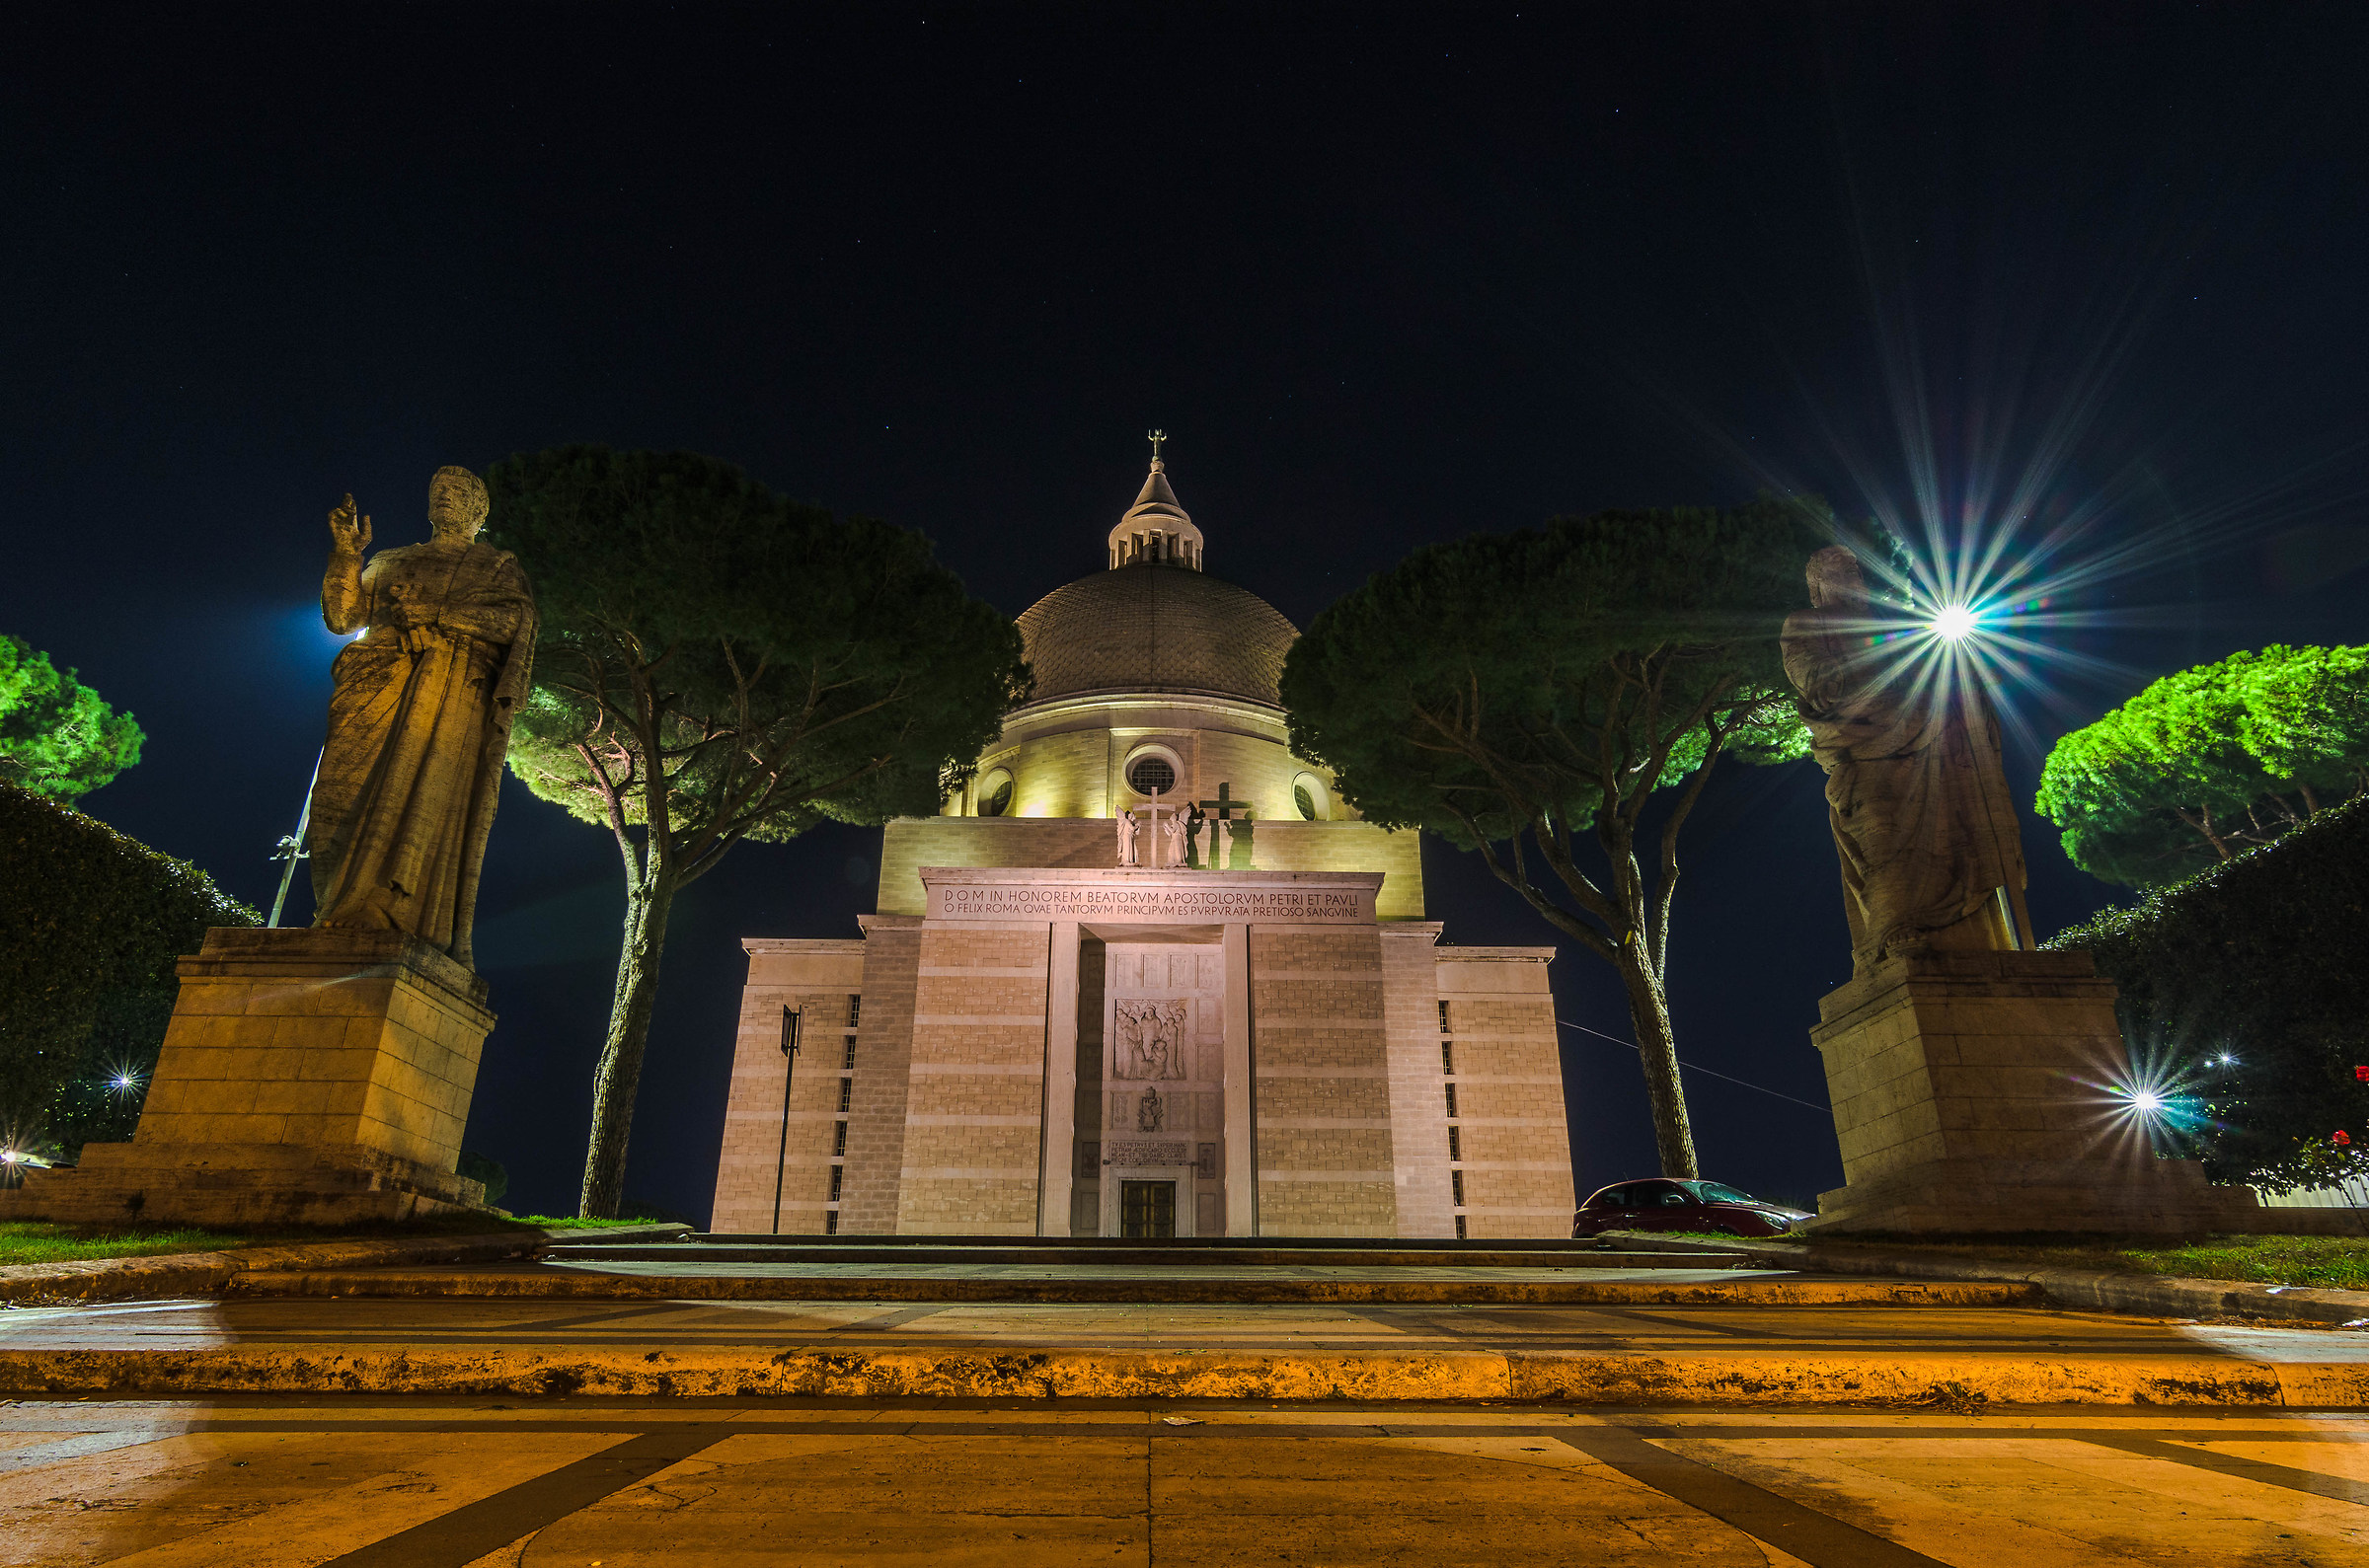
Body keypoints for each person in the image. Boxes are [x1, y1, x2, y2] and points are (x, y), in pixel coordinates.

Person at [311, 467, 536, 967]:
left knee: (416, 802)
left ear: (480, 511)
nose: (444, 499)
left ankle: (393, 911)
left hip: (446, 696)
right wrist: (347, 554)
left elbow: (512, 623)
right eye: (438, 492)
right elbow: (343, 617)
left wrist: (436, 616)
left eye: (456, 493)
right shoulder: (394, 560)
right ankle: (337, 902)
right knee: (337, 801)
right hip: (376, 685)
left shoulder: (497, 567)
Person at [1780, 545, 2028, 973]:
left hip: (1932, 740)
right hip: (1864, 746)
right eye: (1836, 570)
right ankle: (1891, 931)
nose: (1850, 574)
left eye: (1854, 567)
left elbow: (1942, 669)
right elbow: (1815, 681)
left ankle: (1975, 931)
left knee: (1958, 833)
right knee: (1883, 832)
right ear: (1817, 584)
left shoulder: (1895, 623)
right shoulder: (1805, 623)